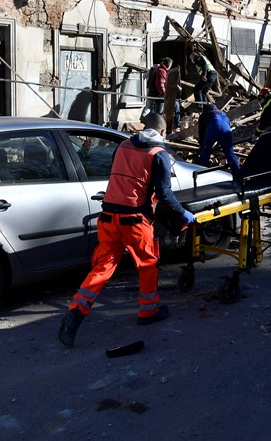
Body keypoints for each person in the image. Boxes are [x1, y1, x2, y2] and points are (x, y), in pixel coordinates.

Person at [58, 112, 195, 347]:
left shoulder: (123, 146)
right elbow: (164, 194)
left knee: (102, 268)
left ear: (143, 127)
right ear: (163, 132)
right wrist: (183, 214)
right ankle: (148, 311)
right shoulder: (158, 154)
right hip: (135, 221)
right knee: (147, 265)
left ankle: (77, 311)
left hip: (108, 218)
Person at [196, 103, 241, 176]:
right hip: (226, 129)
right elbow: (227, 124)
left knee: (206, 150)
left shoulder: (204, 114)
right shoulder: (222, 113)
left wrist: (201, 144)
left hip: (213, 128)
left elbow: (201, 131)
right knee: (230, 152)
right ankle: (237, 172)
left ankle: (201, 171)